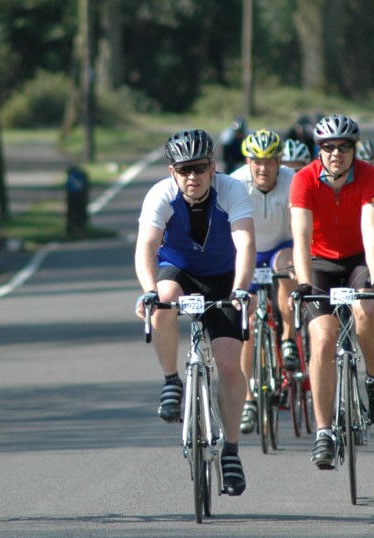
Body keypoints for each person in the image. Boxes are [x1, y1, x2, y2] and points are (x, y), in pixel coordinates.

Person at [134, 128, 256, 496]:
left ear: (213, 167)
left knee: (231, 365)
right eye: (184, 170)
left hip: (224, 278)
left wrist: (241, 289)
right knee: (163, 303)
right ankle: (172, 380)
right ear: (173, 172)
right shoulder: (160, 195)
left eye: (200, 168)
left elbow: (245, 242)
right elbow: (146, 248)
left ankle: (231, 452)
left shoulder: (233, 190)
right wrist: (148, 292)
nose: (193, 177)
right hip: (180, 271)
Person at [289, 114, 374, 470]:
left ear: (354, 150)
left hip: (357, 261)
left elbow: (372, 233)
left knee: (368, 309)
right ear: (318, 151)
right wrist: (302, 283)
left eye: (344, 147)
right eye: (329, 147)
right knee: (323, 338)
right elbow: (301, 239)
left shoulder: (370, 176)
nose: (336, 154)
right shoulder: (303, 180)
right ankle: (323, 432)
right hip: (318, 264)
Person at [229, 129, 299, 434]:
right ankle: (248, 400)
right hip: (249, 251)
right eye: (256, 161)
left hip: (283, 246)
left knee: (286, 268)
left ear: (279, 161)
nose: (262, 168)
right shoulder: (235, 183)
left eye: (269, 161)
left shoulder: (293, 181)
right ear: (247, 161)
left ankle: (286, 338)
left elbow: (303, 227)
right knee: (248, 323)